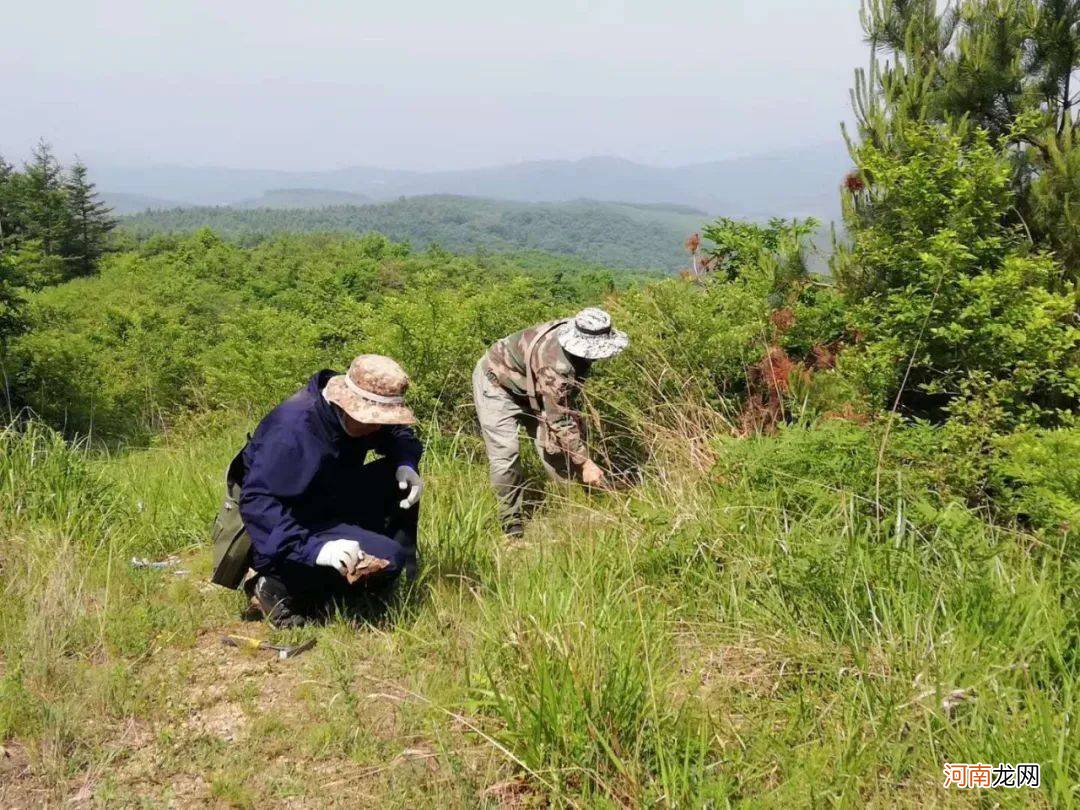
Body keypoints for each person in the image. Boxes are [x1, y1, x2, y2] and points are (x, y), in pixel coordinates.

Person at [212, 354, 424, 628]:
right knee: (387, 558)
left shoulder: (355, 419)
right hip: (280, 528)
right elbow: (258, 505)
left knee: (394, 484)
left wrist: (406, 462)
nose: (379, 427)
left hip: (325, 498)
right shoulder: (292, 431)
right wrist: (318, 549)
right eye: (374, 419)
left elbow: (398, 434)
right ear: (347, 405)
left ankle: (374, 580)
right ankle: (276, 584)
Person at [472, 307, 628, 536]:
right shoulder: (557, 365)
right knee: (506, 455)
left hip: (535, 388)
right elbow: (560, 420)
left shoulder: (579, 329)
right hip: (497, 385)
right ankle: (511, 524)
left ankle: (571, 508)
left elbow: (561, 412)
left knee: (554, 449)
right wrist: (585, 463)